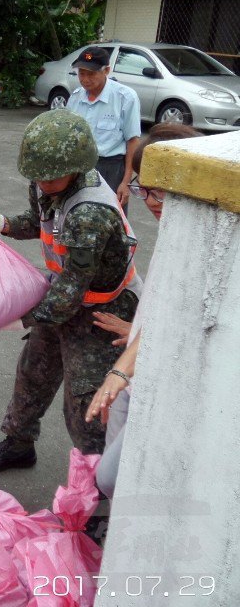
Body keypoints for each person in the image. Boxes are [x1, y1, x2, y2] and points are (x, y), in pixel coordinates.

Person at [0, 109, 143, 471]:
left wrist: (24, 318)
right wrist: (3, 224)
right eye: (37, 177)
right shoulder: (44, 182)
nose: (42, 184)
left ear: (77, 167)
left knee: (87, 401)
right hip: (63, 298)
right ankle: (18, 443)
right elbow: (39, 222)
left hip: (103, 310)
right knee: (34, 371)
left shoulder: (91, 212)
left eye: (51, 178)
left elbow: (72, 287)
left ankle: (97, 488)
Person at [85, 123, 201, 499]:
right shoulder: (175, 234)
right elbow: (165, 312)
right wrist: (137, 327)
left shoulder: (206, 249)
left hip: (161, 385)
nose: (150, 200)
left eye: (159, 189)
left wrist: (119, 371)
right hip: (139, 374)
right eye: (142, 188)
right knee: (118, 475)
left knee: (112, 478)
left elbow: (181, 320)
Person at [66, 46, 141, 208]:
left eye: (91, 74)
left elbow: (133, 141)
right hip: (79, 167)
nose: (85, 79)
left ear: (106, 70)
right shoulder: (75, 97)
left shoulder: (125, 97)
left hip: (111, 170)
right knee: (77, 216)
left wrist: (126, 183)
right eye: (81, 73)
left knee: (110, 219)